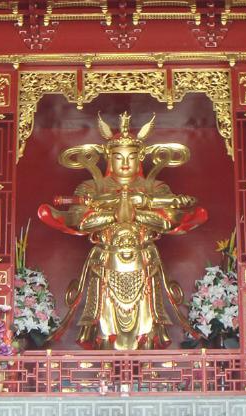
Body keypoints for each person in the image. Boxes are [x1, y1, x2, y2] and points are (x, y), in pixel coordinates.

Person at [38, 112, 207, 350]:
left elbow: (167, 221)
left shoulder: (155, 187)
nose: (125, 163)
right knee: (105, 317)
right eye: (119, 157)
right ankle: (106, 359)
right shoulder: (91, 187)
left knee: (146, 317)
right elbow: (81, 222)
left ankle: (146, 359)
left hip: (144, 258)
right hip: (106, 259)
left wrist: (133, 208)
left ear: (140, 158)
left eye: (131, 157)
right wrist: (119, 210)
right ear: (109, 157)